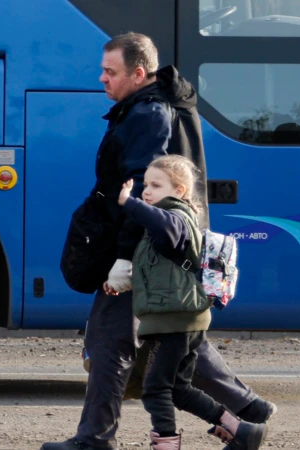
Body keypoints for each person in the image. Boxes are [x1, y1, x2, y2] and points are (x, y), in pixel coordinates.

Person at [43, 32, 274, 450]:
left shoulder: (149, 115)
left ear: (138, 72)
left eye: (110, 72)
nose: (102, 79)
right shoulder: (151, 107)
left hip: (148, 250)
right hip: (160, 249)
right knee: (177, 333)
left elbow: (141, 194)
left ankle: (95, 439)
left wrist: (126, 259)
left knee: (109, 341)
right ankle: (249, 411)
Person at [112, 155, 267, 450]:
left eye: (156, 185)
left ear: (180, 191)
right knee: (179, 389)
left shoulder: (176, 216)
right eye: (145, 184)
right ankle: (242, 431)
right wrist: (120, 283)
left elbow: (167, 227)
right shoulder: (161, 223)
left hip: (175, 321)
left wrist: (130, 203)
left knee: (155, 389)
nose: (147, 191)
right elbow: (160, 272)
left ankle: (166, 446)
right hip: (178, 317)